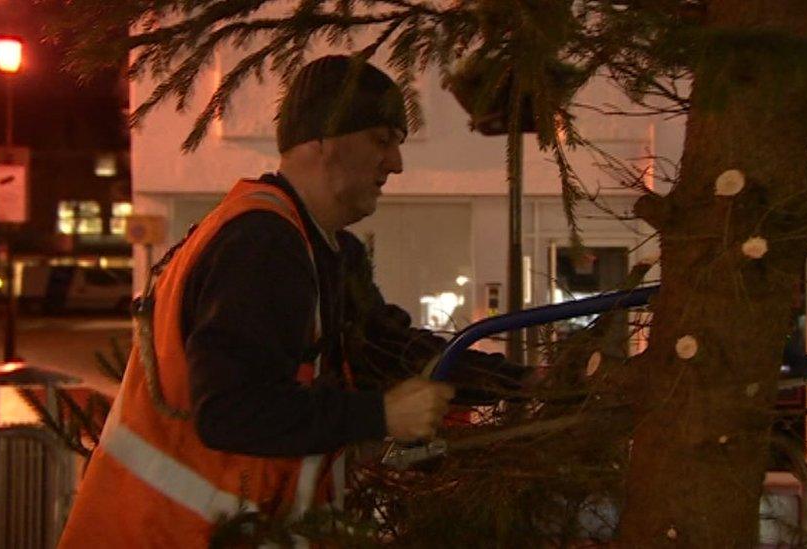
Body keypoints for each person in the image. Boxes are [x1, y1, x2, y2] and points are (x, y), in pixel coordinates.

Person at [58, 55, 517, 548]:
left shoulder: (323, 248)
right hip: (161, 535)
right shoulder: (262, 243)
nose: (396, 163)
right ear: (321, 140)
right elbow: (231, 411)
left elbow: (388, 351)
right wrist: (380, 416)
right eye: (381, 141)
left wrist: (525, 383)